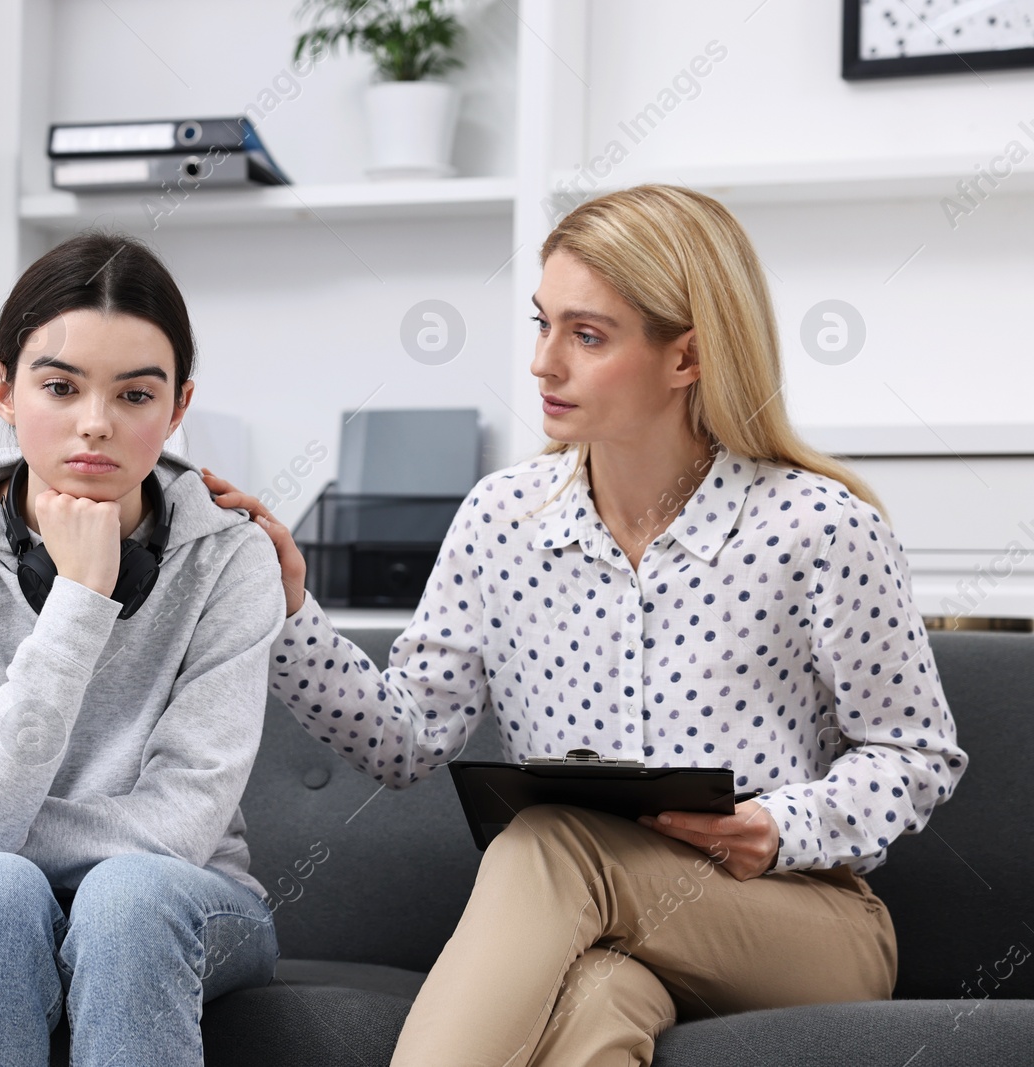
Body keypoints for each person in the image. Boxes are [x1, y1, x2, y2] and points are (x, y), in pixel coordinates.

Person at [201, 183, 969, 1066]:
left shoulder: (819, 526)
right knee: (596, 1007)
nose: (543, 364)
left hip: (799, 920)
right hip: (602, 929)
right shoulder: (503, 519)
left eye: (587, 335)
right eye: (542, 324)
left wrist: (782, 824)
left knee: (553, 840)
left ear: (687, 356)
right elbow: (406, 741)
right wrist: (288, 607)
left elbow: (915, 752)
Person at [0, 230, 288, 1067]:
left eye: (135, 396)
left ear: (178, 406)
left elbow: (181, 827)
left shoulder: (232, 556)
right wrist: (79, 600)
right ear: (2, 388)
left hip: (175, 896)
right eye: (60, 387)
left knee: (126, 897)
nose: (94, 425)